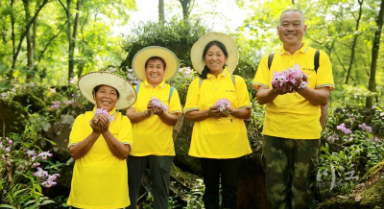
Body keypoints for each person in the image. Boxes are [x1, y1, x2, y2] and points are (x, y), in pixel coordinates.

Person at [252, 9, 335, 209]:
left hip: (306, 135)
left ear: (304, 28)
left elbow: (323, 97)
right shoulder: (269, 59)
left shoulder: (318, 57)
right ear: (278, 29)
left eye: (296, 24)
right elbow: (261, 97)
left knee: (303, 191)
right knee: (275, 190)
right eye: (286, 24)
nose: (290, 28)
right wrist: (277, 89)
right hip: (274, 134)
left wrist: (300, 86)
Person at [184, 32, 252, 209]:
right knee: (210, 189)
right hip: (206, 144)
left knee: (231, 188)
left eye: (218, 54)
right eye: (210, 54)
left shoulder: (237, 81)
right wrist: (208, 113)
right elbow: (189, 114)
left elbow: (247, 113)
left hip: (232, 143)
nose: (214, 58)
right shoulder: (197, 83)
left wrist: (232, 111)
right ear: (204, 58)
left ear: (226, 58)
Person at [67, 71, 136, 209]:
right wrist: (95, 133)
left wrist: (105, 131)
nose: (107, 96)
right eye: (102, 91)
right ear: (94, 96)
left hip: (113, 195)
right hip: (84, 194)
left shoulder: (123, 121)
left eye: (112, 93)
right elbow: (75, 153)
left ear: (117, 99)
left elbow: (123, 154)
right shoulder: (81, 119)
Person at [126, 46, 182, 209]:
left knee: (161, 191)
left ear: (164, 71)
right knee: (130, 190)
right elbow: (129, 115)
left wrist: (161, 113)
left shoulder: (172, 92)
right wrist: (147, 112)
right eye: (151, 66)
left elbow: (173, 120)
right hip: (136, 146)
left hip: (162, 148)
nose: (154, 70)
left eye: (158, 67)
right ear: (145, 70)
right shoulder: (135, 90)